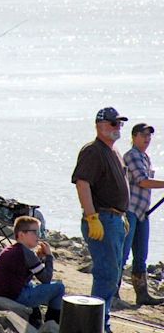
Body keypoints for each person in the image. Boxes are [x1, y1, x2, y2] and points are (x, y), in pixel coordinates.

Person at [71, 107, 129, 333]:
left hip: (114, 218)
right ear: (100, 125)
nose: (118, 128)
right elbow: (82, 183)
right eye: (114, 123)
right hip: (102, 218)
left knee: (112, 272)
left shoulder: (113, 151)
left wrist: (122, 214)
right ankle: (97, 324)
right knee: (107, 273)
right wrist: (91, 216)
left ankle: (100, 320)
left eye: (120, 124)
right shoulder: (93, 151)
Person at [0, 216, 64, 325]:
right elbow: (46, 279)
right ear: (22, 234)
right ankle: (52, 323)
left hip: (1, 291)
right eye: (35, 232)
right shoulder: (26, 253)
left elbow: (26, 272)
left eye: (40, 232)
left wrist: (39, 258)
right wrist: (49, 257)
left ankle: (35, 319)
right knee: (59, 287)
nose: (38, 236)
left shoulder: (13, 249)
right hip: (15, 295)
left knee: (31, 284)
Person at [121, 123, 164, 305]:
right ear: (134, 136)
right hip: (130, 211)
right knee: (122, 254)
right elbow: (143, 182)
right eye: (143, 135)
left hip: (142, 213)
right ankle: (113, 292)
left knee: (141, 255)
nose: (147, 139)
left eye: (149, 136)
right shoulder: (131, 155)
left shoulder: (145, 157)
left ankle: (142, 294)